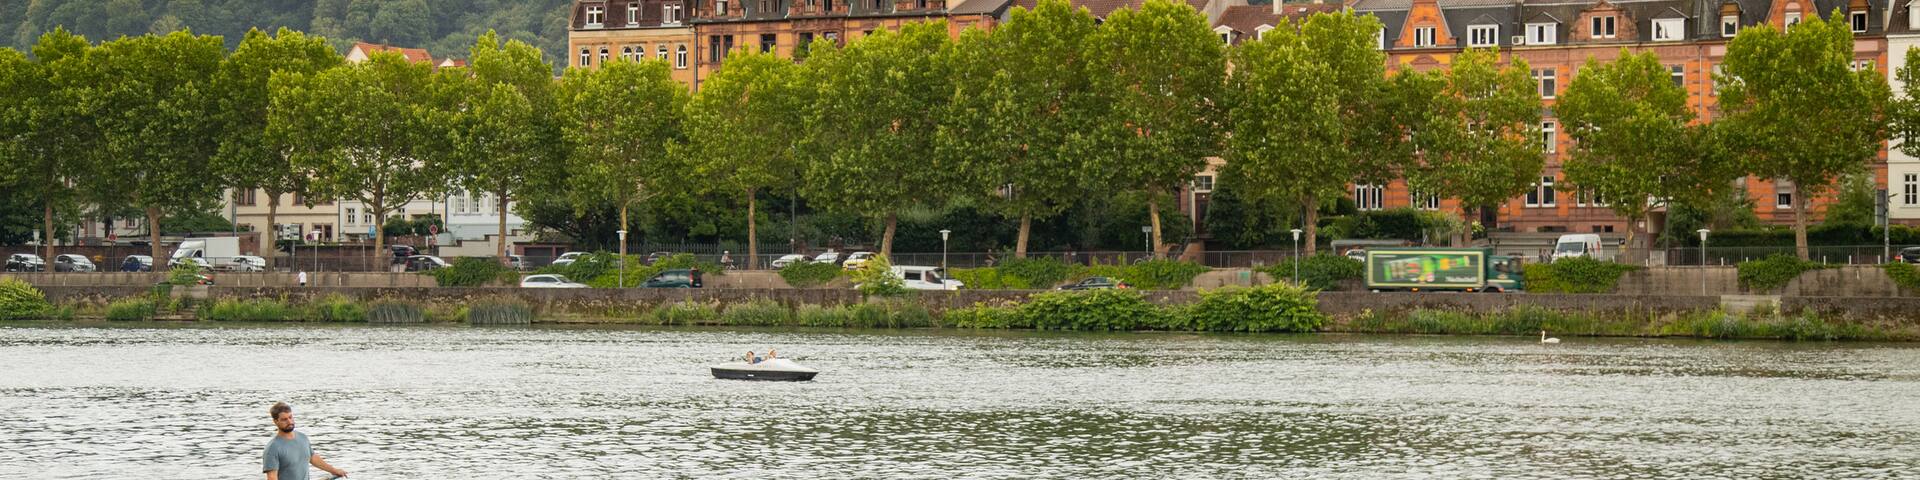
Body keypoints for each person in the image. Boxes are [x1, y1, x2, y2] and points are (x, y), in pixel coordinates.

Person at [263, 402, 347, 480]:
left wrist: (334, 471)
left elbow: (312, 457)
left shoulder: (302, 438)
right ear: (275, 421)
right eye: (284, 419)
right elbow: (272, 478)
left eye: (290, 417)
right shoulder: (273, 448)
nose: (289, 421)